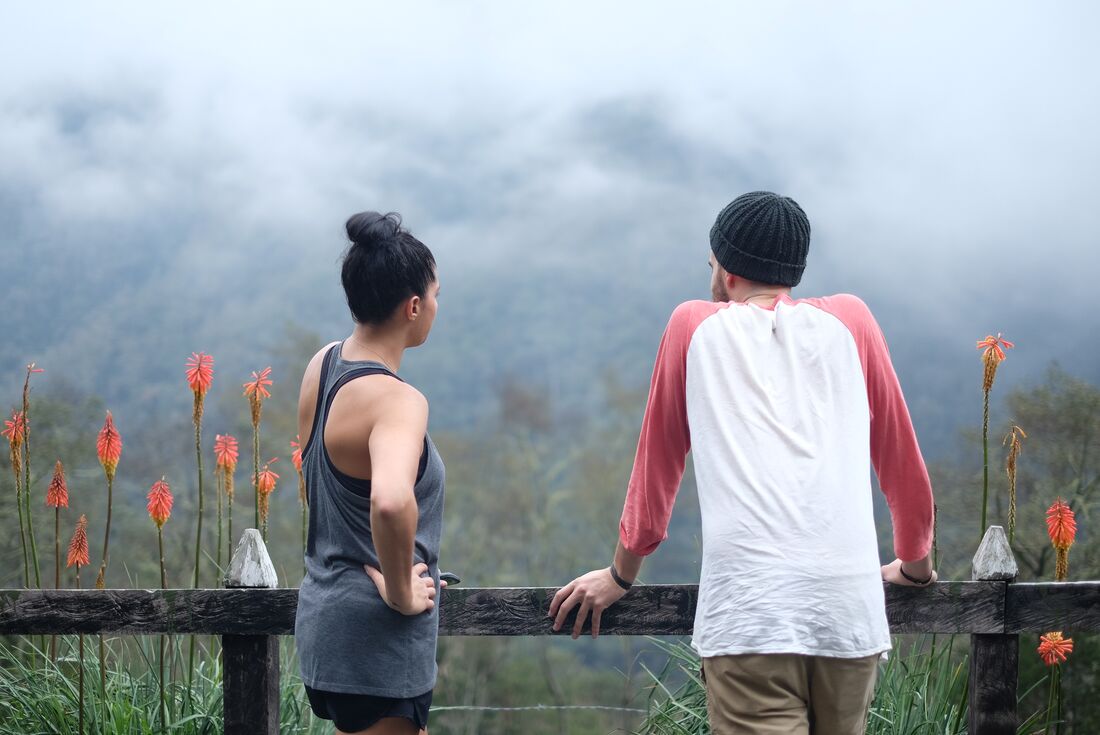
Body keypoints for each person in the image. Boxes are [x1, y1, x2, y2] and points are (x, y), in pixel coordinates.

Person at [550, 191, 936, 735]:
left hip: (750, 615)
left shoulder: (693, 325)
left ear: (725, 270)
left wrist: (621, 574)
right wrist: (915, 564)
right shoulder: (853, 319)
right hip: (849, 613)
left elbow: (657, 469)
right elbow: (901, 459)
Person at [294, 211, 445, 735]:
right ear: (412, 306)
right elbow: (389, 501)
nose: (435, 307)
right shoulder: (397, 402)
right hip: (377, 646)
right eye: (435, 295)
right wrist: (402, 588)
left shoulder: (323, 365)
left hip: (324, 627)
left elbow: (316, 479)